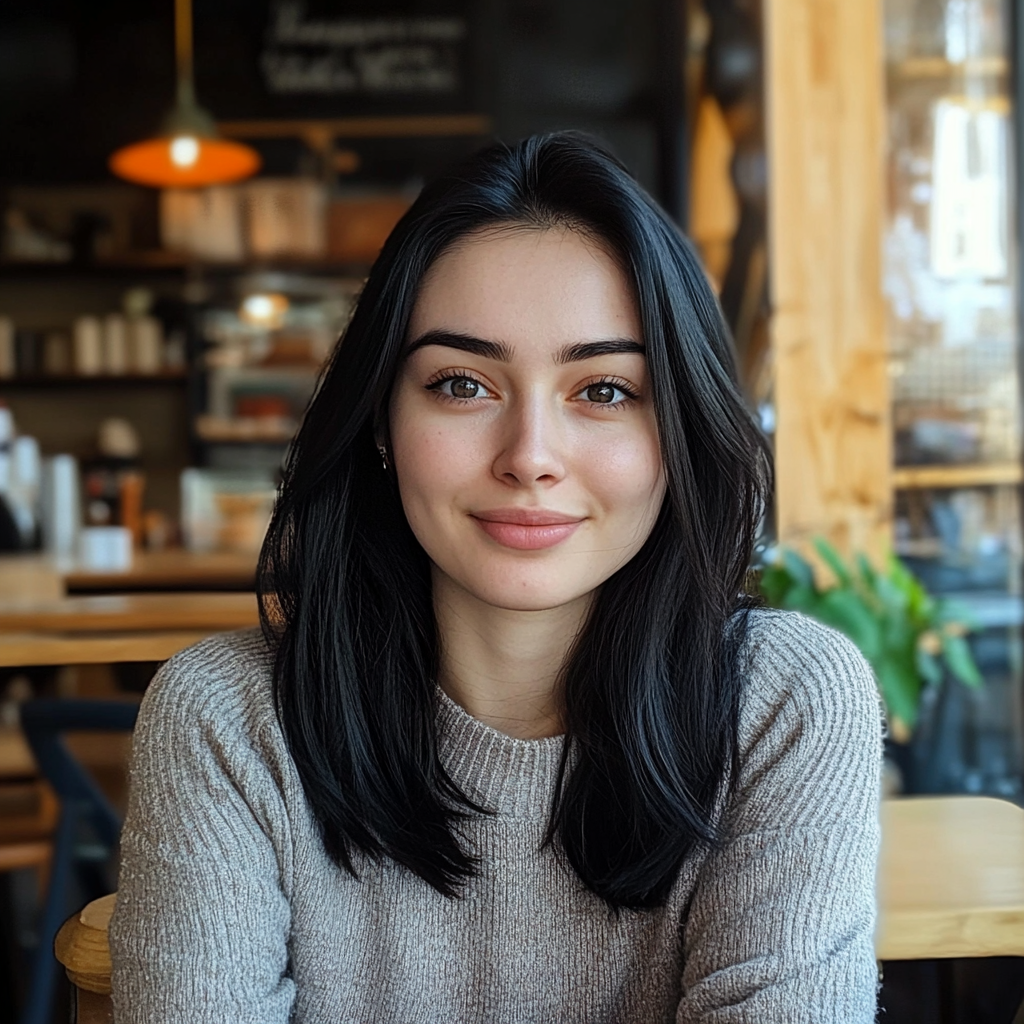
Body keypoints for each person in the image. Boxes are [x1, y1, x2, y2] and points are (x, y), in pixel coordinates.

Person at [109, 132, 883, 1023]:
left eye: (604, 391)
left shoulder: (782, 704)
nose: (530, 459)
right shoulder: (228, 721)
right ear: (379, 425)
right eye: (462, 385)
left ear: (681, 432)